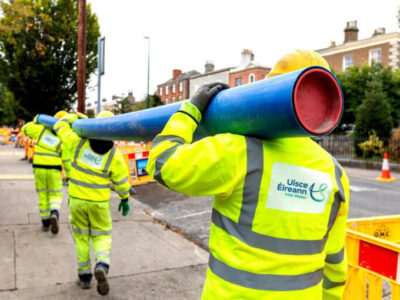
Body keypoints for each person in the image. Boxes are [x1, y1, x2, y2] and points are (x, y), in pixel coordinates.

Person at [148, 50, 349, 299]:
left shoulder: (239, 151)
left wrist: (190, 111)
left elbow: (162, 163)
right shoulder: (335, 174)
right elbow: (335, 262)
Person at [53, 110, 131, 295]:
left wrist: (76, 117)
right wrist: (124, 198)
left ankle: (84, 277)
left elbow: (59, 125)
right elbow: (121, 181)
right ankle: (102, 263)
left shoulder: (77, 143)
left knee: (81, 238)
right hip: (99, 203)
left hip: (77, 201)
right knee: (102, 236)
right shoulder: (114, 155)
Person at [21, 110, 68, 234]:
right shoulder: (64, 137)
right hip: (54, 170)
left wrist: (37, 120)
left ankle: (45, 222)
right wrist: (69, 173)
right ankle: (54, 212)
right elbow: (67, 158)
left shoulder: (40, 130)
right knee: (56, 194)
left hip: (39, 168)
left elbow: (25, 129)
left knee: (43, 195)